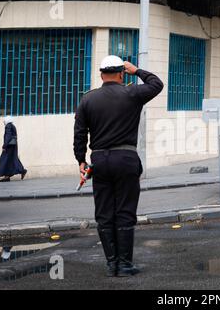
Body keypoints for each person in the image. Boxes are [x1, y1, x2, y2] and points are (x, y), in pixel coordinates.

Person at [73, 56, 164, 277]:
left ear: (101, 74)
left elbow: (79, 134)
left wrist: (81, 160)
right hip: (126, 159)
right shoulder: (132, 94)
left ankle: (111, 263)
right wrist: (137, 70)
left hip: (100, 161)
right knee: (124, 211)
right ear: (122, 73)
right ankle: (124, 265)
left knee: (104, 213)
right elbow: (156, 84)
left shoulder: (88, 99)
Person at [0, 116, 28, 182]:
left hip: (9, 146)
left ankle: (20, 171)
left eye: (4, 120)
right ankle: (7, 176)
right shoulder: (12, 126)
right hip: (13, 145)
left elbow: (8, 136)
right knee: (11, 159)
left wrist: (4, 146)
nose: (3, 121)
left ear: (7, 120)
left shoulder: (8, 126)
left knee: (5, 159)